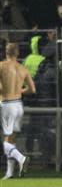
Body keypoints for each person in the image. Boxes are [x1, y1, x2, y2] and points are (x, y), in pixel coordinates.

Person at [0, 43, 36, 179]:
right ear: (18, 53)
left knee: (5, 141)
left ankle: (21, 158)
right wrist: (19, 90)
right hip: (19, 105)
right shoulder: (23, 68)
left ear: (5, 52)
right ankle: (9, 172)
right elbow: (32, 89)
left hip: (7, 104)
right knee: (11, 138)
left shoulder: (2, 66)